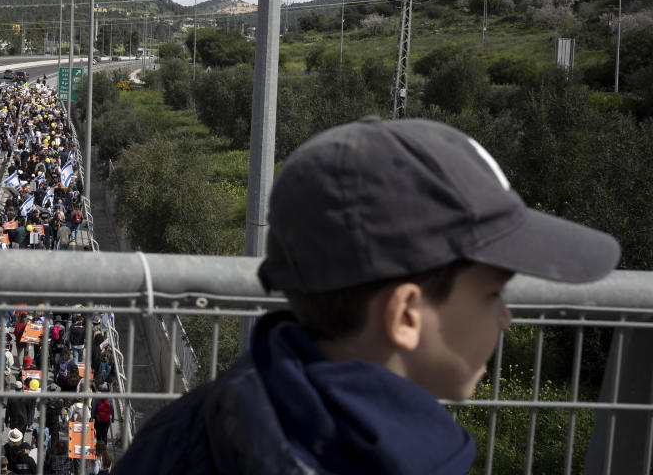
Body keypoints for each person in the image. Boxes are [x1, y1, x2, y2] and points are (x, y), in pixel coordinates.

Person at [114, 117, 621, 474]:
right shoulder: (405, 459)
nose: (507, 318)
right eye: (493, 294)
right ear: (405, 314)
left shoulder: (189, 427)